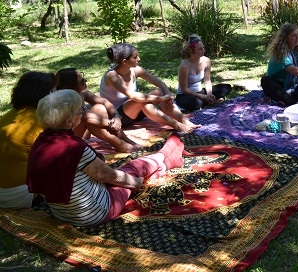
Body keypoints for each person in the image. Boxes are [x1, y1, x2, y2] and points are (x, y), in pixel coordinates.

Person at [26, 90, 187, 226]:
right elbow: (109, 176)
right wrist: (136, 184)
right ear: (69, 120)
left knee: (131, 170)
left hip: (62, 214)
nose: (82, 114)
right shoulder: (76, 149)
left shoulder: (40, 142)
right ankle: (166, 153)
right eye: (80, 111)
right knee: (134, 168)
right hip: (96, 212)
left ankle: (167, 159)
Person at [99, 43, 200, 133]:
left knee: (159, 91)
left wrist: (168, 96)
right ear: (125, 61)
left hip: (136, 113)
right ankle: (176, 125)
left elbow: (160, 83)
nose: (139, 59)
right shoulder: (112, 76)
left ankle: (183, 120)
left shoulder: (135, 70)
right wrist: (160, 99)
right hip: (119, 117)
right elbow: (133, 96)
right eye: (135, 57)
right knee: (140, 100)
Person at [0, 71, 57, 209]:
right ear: (46, 95)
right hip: (18, 196)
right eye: (54, 91)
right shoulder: (42, 122)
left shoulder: (9, 116)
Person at [56, 68, 143, 153]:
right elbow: (82, 117)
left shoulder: (82, 93)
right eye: (82, 81)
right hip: (67, 138)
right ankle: (120, 144)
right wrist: (110, 123)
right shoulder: (64, 100)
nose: (85, 80)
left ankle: (126, 141)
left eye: (83, 77)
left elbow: (104, 101)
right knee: (85, 117)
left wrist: (116, 116)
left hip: (84, 132)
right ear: (71, 86)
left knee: (99, 108)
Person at [260, 23, 298, 106]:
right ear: (285, 38)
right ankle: (292, 102)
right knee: (266, 80)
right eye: (293, 36)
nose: (297, 38)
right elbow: (294, 70)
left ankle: (279, 98)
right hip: (277, 84)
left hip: (293, 85)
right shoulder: (280, 53)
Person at [176, 35, 232, 111]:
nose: (203, 50)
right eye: (200, 49)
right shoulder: (185, 65)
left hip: (200, 92)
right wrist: (203, 97)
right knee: (196, 103)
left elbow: (207, 80)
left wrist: (209, 94)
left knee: (226, 87)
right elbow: (184, 90)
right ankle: (209, 101)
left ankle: (209, 100)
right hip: (185, 95)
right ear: (192, 50)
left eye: (203, 48)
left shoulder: (206, 61)